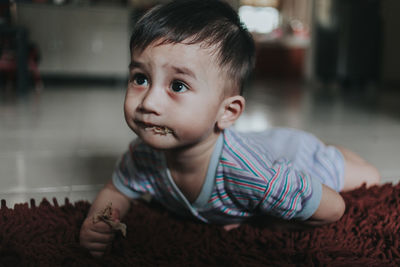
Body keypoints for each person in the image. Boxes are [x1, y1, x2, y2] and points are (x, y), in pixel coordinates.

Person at [79, 0, 380, 257]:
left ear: (228, 111)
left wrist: (268, 223)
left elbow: (334, 209)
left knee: (370, 177)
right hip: (256, 143)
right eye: (141, 78)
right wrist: (99, 220)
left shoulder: (252, 175)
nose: (149, 102)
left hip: (296, 153)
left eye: (178, 85)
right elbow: (116, 189)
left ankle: (332, 151)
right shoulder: (142, 156)